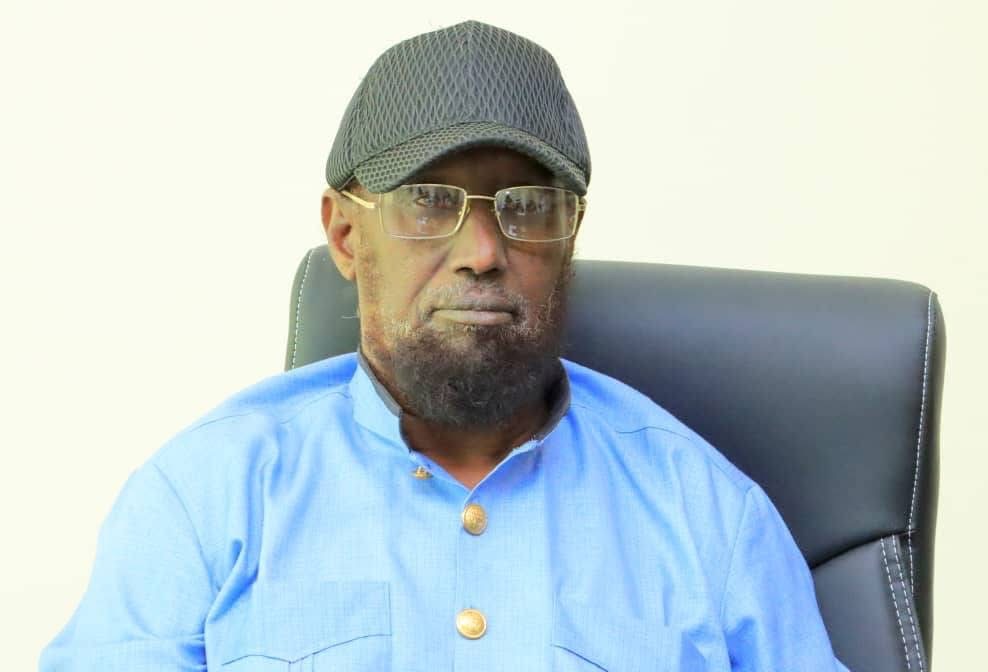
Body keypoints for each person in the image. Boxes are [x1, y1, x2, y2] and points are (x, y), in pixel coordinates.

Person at [41, 20, 850, 671]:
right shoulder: (207, 496)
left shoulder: (708, 516)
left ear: (569, 237)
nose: (483, 252)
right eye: (430, 201)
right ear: (346, 235)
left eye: (526, 206)